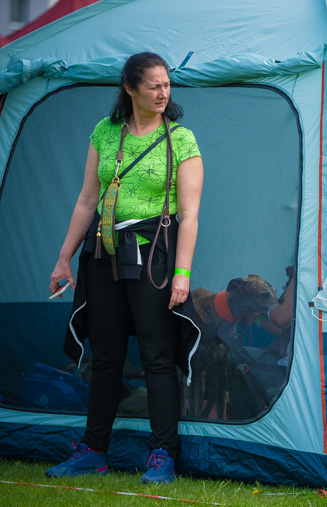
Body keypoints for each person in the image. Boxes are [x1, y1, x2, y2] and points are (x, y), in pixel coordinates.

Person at [46, 52, 204, 484]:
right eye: (153, 85)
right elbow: (86, 200)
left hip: (153, 258)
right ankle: (93, 450)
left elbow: (189, 216)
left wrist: (183, 273)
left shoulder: (182, 140)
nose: (162, 93)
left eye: (167, 85)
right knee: (106, 357)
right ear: (130, 88)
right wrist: (64, 257)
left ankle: (162, 455)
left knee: (156, 357)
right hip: (103, 253)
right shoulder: (106, 131)